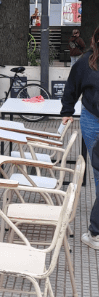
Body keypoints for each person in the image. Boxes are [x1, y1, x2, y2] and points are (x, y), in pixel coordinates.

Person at [61, 24, 99, 249]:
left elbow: (71, 87)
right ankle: (95, 232)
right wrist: (66, 111)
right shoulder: (86, 62)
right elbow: (72, 87)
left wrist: (67, 110)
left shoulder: (86, 61)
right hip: (92, 121)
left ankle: (95, 232)